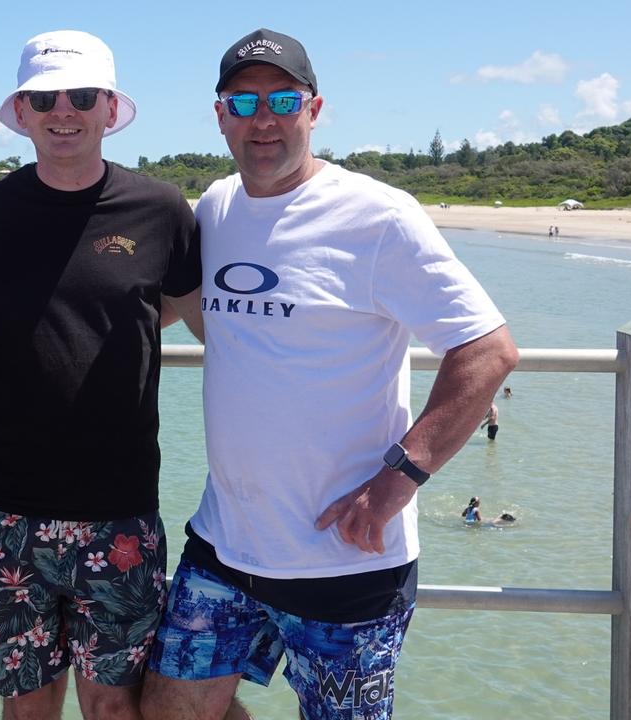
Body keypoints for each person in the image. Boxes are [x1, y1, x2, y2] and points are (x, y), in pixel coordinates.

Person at [142, 29, 518, 720]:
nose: (264, 118)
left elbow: (487, 350)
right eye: (244, 100)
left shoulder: (378, 216)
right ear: (220, 112)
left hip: (348, 558)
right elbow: (171, 304)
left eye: (282, 99)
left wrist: (398, 480)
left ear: (314, 109)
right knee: (167, 709)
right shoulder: (216, 207)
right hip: (225, 546)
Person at [0, 30, 202, 720]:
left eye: (82, 95)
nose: (64, 110)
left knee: (112, 708)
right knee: (28, 711)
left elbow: (192, 311)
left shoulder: (161, 210)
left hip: (118, 513)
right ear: (23, 112)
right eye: (44, 97)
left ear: (110, 108)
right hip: (3, 512)